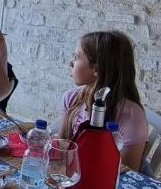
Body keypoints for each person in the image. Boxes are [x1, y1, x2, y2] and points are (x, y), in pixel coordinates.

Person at [58, 31, 149, 171]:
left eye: (76, 57)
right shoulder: (71, 98)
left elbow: (127, 175)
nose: (71, 62)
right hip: (79, 172)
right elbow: (62, 147)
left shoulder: (131, 117)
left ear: (96, 69)